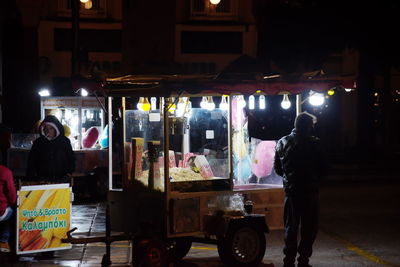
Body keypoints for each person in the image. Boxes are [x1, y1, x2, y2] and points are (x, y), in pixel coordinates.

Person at [274, 112, 327, 267]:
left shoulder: (282, 142)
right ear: (308, 126)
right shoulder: (315, 143)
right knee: (309, 228)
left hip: (291, 192)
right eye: (312, 125)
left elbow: (278, 169)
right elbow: (324, 169)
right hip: (310, 192)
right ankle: (303, 260)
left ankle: (288, 260)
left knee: (290, 227)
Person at [26, 115, 75, 183]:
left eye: (51, 128)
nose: (48, 130)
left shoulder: (64, 141)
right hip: (43, 180)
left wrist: (69, 174)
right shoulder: (38, 143)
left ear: (56, 129)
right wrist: (34, 177)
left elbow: (71, 158)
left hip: (62, 179)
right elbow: (32, 161)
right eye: (46, 128)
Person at [0, 165, 17, 253]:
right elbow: (12, 196)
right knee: (12, 212)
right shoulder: (5, 171)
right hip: (1, 211)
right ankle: (4, 240)